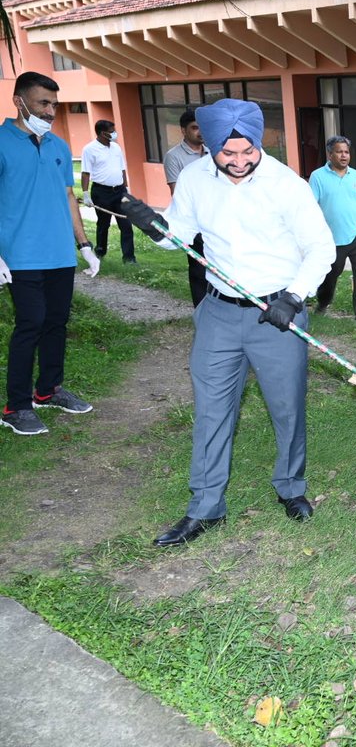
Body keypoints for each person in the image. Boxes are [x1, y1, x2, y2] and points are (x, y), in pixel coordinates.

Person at [122, 98, 336, 547]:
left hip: (277, 313)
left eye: (248, 152)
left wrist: (295, 296)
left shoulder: (286, 185)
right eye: (227, 153)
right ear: (211, 144)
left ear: (259, 144)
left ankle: (291, 488)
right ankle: (205, 508)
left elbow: (321, 248)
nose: (239, 162)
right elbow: (179, 234)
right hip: (218, 311)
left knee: (287, 408)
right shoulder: (196, 178)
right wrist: (154, 225)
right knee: (211, 411)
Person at [0, 71, 100, 436]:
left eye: (54, 105)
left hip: (60, 254)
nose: (50, 111)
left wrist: (84, 244)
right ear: (19, 101)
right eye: (43, 103)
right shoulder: (1, 142)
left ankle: (48, 390)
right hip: (20, 256)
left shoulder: (58, 146)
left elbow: (69, 197)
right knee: (31, 323)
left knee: (57, 323)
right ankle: (16, 406)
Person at [309, 135, 356, 324]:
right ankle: (323, 303)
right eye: (339, 152)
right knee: (330, 276)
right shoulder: (317, 177)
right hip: (331, 238)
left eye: (346, 152)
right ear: (330, 154)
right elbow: (311, 207)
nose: (344, 155)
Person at [163, 108, 210, 307]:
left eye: (202, 127)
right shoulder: (174, 157)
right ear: (183, 130)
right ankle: (201, 311)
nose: (200, 132)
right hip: (193, 222)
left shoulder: (212, 153)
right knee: (199, 269)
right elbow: (177, 193)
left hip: (217, 218)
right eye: (194, 128)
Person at [81, 118, 137, 264]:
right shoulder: (89, 149)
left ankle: (129, 258)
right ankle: (100, 252)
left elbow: (122, 168)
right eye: (111, 132)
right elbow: (85, 173)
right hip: (101, 192)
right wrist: (86, 194)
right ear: (101, 133)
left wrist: (127, 188)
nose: (114, 134)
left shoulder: (116, 147)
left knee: (126, 225)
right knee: (103, 224)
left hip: (119, 191)